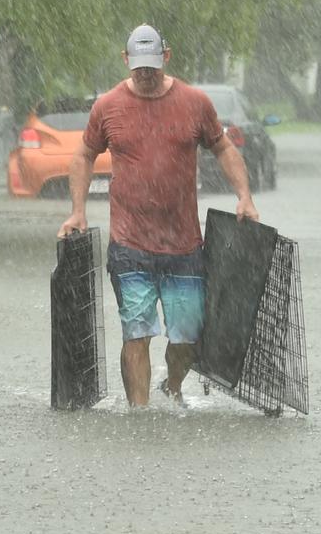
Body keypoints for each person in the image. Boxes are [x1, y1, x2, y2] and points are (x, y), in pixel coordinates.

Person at [57, 24, 259, 407]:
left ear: (166, 57)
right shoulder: (108, 106)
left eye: (152, 67)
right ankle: (140, 416)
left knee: (186, 339)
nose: (146, 75)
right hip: (129, 245)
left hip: (183, 246)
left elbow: (224, 149)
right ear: (126, 61)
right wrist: (78, 211)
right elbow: (84, 155)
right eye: (139, 68)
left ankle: (173, 387)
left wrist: (244, 196)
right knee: (136, 333)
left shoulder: (195, 103)